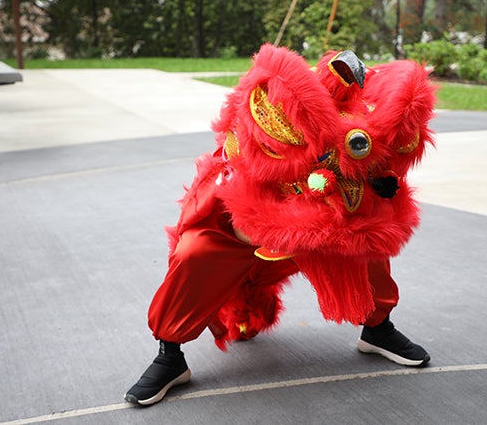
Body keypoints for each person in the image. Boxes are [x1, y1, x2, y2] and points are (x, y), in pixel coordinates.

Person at [125, 44, 436, 406]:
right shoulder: (260, 135)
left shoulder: (363, 131)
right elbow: (231, 203)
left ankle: (377, 327)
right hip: (251, 218)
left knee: (367, 239)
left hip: (327, 215)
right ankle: (170, 354)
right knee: (196, 252)